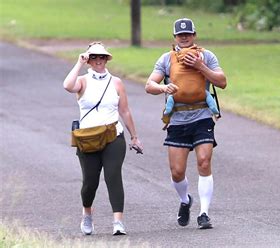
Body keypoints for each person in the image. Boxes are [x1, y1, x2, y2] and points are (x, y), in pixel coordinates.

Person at [145, 18, 227, 229]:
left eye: (188, 34)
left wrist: (201, 67)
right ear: (174, 37)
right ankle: (185, 200)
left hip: (201, 115)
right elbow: (149, 85)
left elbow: (222, 82)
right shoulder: (166, 59)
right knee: (177, 171)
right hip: (178, 119)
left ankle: (204, 213)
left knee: (204, 161)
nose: (184, 37)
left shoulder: (206, 56)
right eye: (181, 35)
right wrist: (164, 88)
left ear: (194, 35)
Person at [63, 42, 143, 235]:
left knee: (113, 175)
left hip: (113, 134)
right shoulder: (82, 80)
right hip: (88, 138)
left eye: (102, 57)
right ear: (89, 59)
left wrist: (134, 136)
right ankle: (87, 214)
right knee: (90, 182)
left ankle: (118, 222)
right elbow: (67, 86)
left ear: (107, 59)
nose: (98, 61)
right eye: (94, 57)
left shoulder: (116, 82)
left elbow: (124, 110)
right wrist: (79, 62)